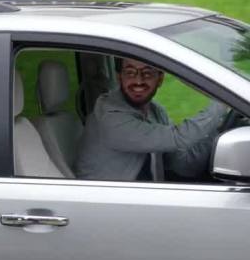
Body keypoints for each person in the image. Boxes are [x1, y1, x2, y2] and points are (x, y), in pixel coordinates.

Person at [75, 57, 229, 181]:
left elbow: (182, 165)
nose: (138, 81)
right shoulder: (111, 119)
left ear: (160, 79)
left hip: (143, 199)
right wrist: (224, 100)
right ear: (119, 77)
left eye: (147, 73)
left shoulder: (155, 111)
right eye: (130, 73)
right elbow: (179, 138)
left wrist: (219, 130)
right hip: (108, 206)